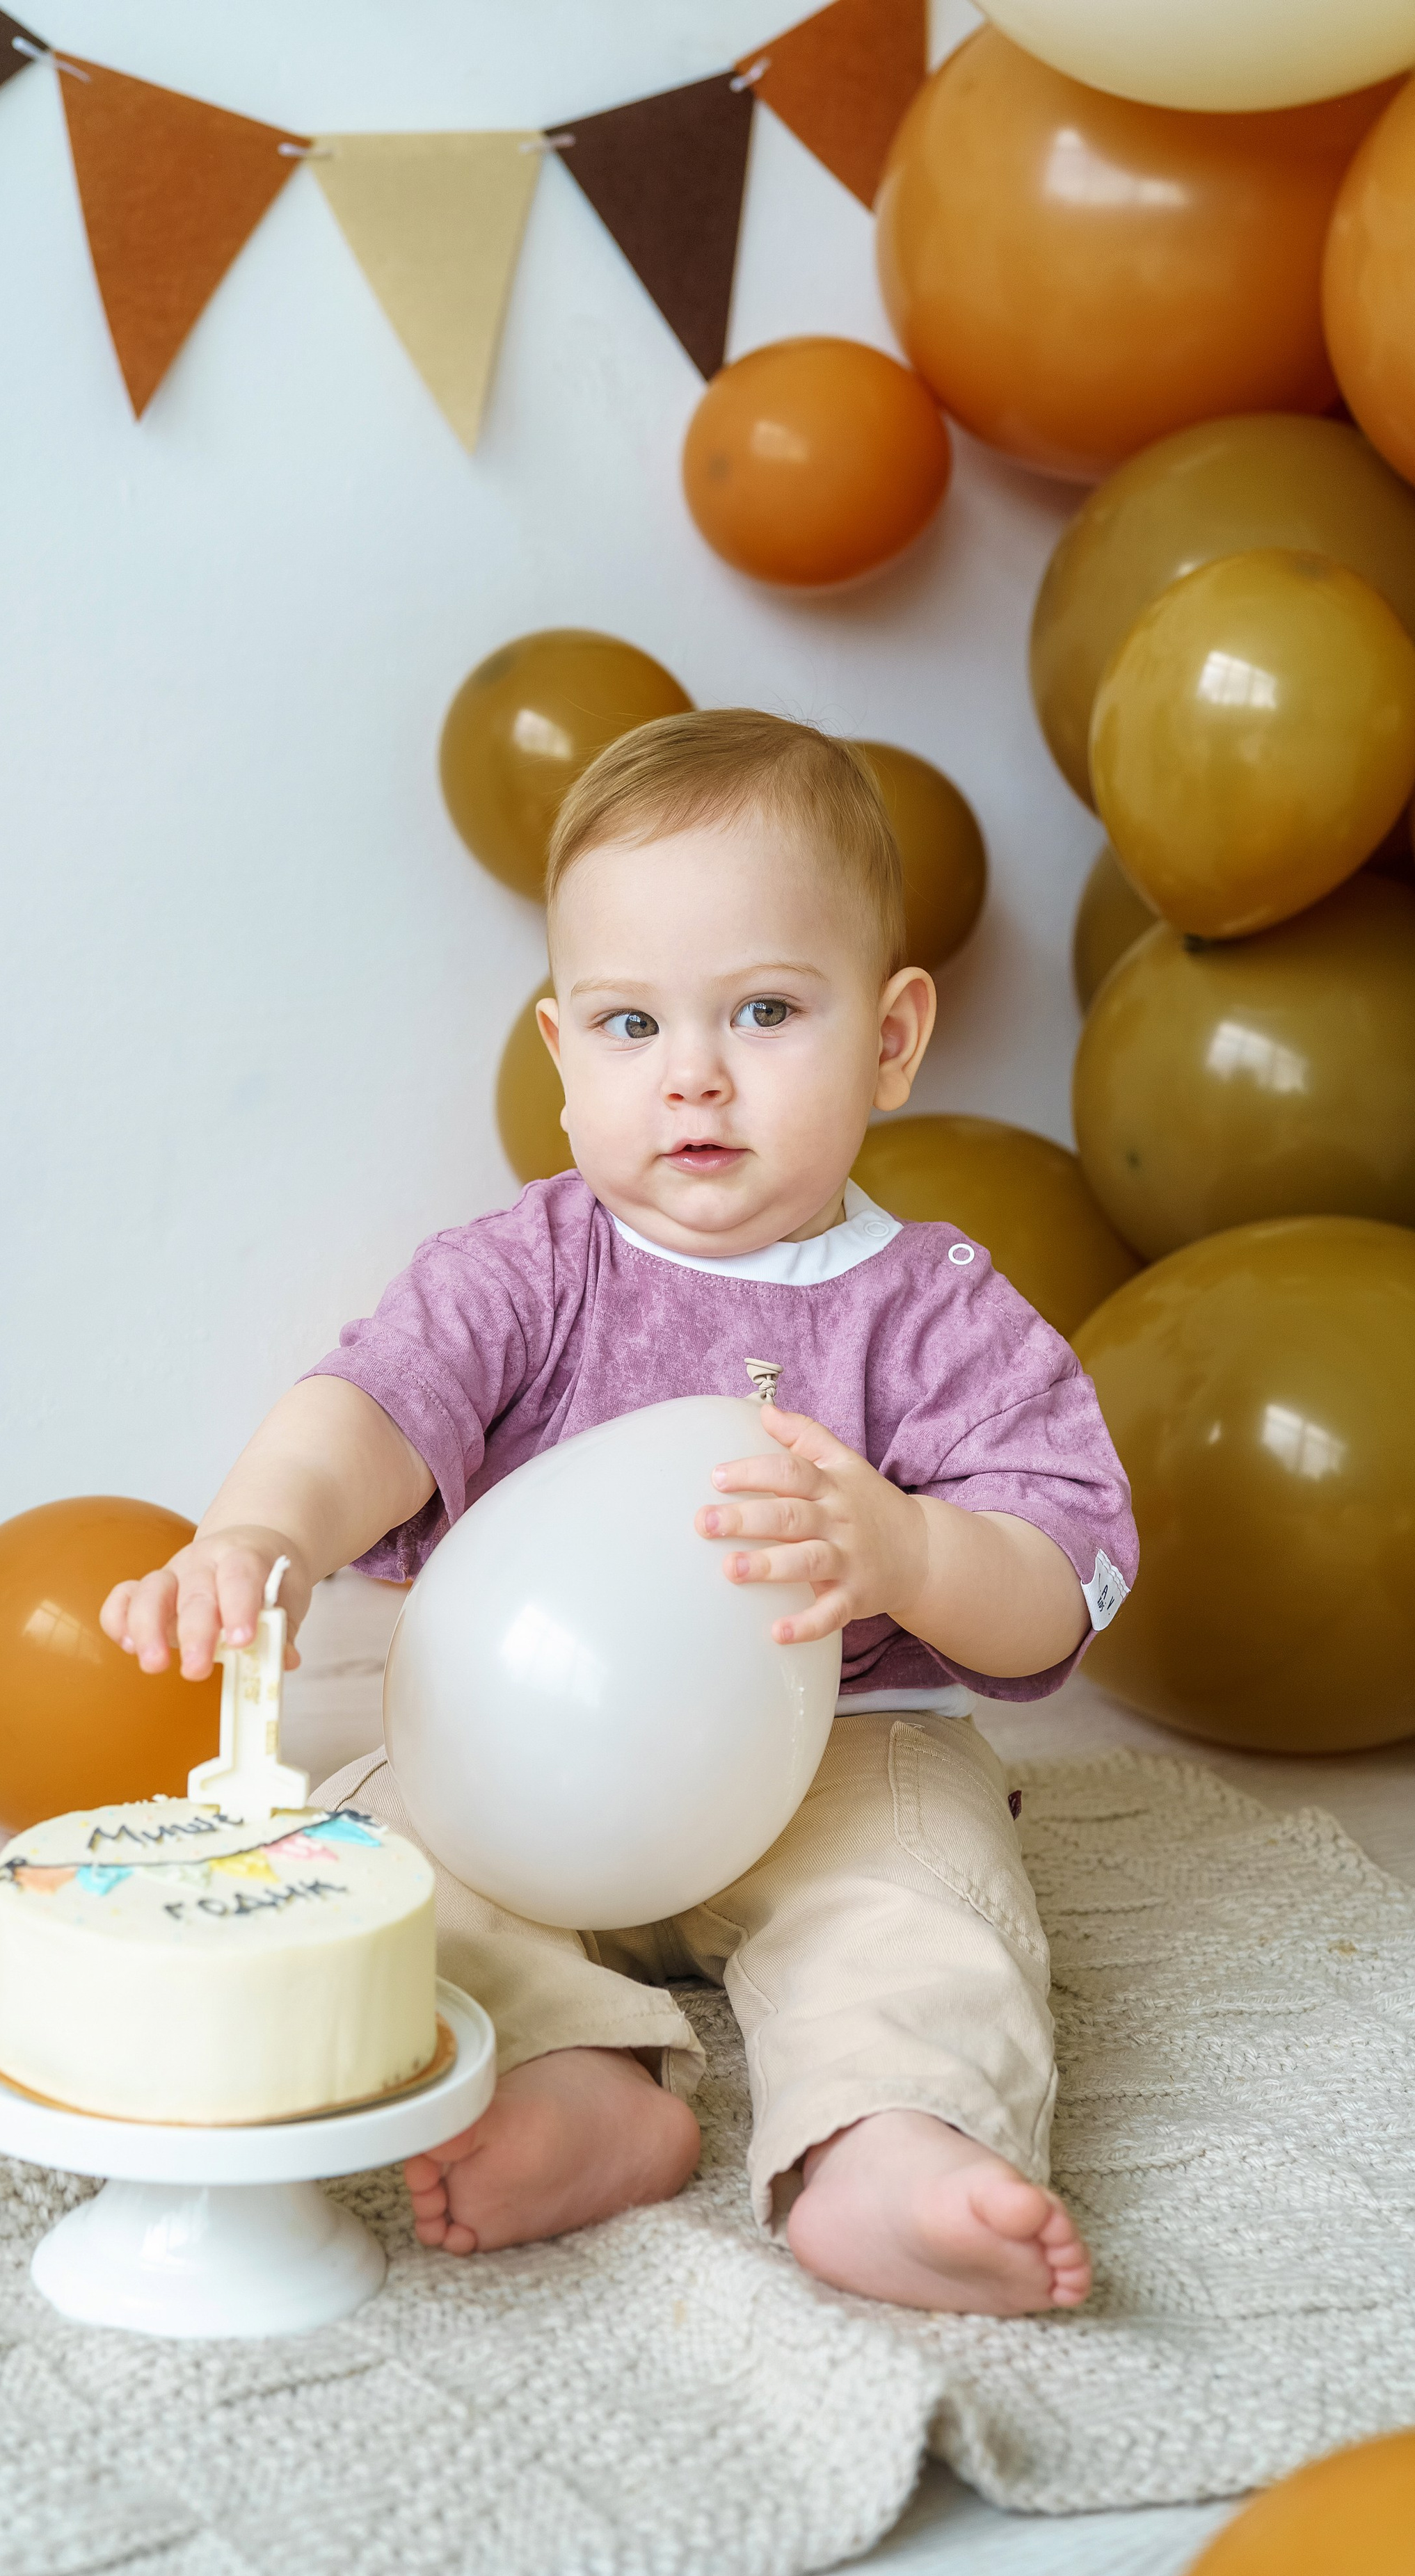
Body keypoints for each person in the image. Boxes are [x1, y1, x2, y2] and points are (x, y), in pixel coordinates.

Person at [103, 710, 1137, 2316]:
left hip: (835, 1765)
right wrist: (259, 1532)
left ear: (891, 1036)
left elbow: (1058, 1570)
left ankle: (886, 2145)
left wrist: (911, 1549)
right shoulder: (526, 1268)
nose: (695, 1076)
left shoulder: (932, 1312)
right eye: (631, 1024)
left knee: (924, 1914)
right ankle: (583, 2079)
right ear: (560, 1053)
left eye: (767, 1011)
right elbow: (372, 1408)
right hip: (516, 1756)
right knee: (368, 1863)